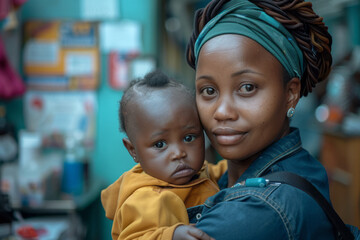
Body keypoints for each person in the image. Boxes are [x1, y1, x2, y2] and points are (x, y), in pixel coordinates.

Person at [182, 0, 360, 239]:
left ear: (290, 94)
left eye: (247, 87)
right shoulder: (299, 166)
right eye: (209, 91)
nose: (222, 112)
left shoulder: (258, 212)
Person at [101, 70, 226, 240]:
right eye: (160, 144)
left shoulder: (198, 172)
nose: (179, 153)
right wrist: (171, 235)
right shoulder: (145, 199)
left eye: (189, 138)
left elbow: (221, 170)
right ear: (133, 151)